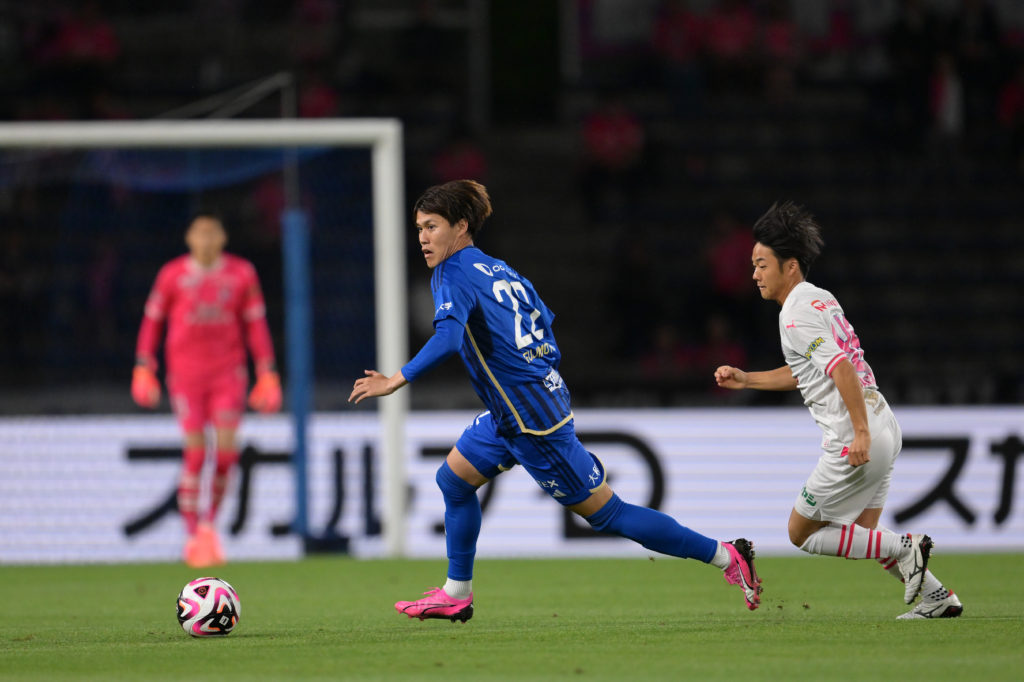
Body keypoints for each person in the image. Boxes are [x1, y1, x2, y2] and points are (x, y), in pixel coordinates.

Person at [349, 180, 762, 622]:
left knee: (609, 514)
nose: (423, 238)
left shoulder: (451, 273)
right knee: (453, 480)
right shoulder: (502, 271)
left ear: (461, 226)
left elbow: (448, 339)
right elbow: (544, 324)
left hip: (531, 418)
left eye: (432, 226)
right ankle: (457, 593)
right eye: (419, 228)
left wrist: (395, 380)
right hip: (516, 407)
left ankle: (727, 556)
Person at [713, 201, 963, 620]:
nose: (754, 274)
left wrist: (859, 433)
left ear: (790, 266)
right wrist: (748, 378)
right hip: (885, 422)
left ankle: (909, 548)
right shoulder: (819, 299)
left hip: (855, 430)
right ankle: (939, 598)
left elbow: (841, 367)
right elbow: (808, 372)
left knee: (801, 532)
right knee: (863, 535)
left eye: (761, 265)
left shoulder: (794, 315)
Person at [131, 213, 282, 568]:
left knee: (226, 456)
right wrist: (143, 366)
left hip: (228, 375)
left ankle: (208, 527)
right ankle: (192, 535)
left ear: (223, 237)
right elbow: (152, 322)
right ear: (189, 238)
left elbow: (256, 324)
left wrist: (267, 372)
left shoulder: (241, 273)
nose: (206, 239)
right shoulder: (172, 275)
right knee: (197, 454)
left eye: (212, 233)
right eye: (200, 233)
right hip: (186, 376)